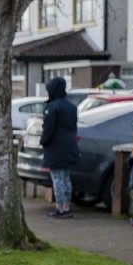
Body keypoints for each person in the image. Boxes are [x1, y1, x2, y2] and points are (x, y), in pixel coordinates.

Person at [39, 76, 79, 219]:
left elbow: (48, 130)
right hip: (70, 145)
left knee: (57, 178)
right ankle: (67, 206)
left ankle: (60, 208)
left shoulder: (53, 107)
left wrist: (43, 141)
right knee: (66, 178)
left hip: (56, 147)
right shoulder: (72, 106)